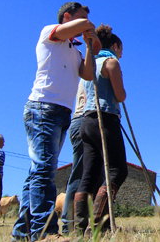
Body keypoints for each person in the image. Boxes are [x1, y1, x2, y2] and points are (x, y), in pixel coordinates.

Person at [12, 2, 100, 242]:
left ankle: (22, 234)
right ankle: (45, 232)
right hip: (43, 107)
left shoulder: (75, 50)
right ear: (68, 17)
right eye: (81, 18)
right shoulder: (50, 32)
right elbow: (82, 25)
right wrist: (88, 26)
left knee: (37, 172)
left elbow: (88, 74)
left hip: (62, 112)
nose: (86, 23)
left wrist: (92, 45)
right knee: (44, 170)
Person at [75, 24, 128, 234]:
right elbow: (121, 96)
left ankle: (80, 226)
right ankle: (96, 224)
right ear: (115, 46)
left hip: (86, 121)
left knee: (90, 172)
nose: (121, 53)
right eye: (121, 49)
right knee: (117, 170)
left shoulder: (90, 64)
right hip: (105, 119)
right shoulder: (111, 63)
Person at [60, 83, 86, 234]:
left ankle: (74, 223)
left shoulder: (87, 69)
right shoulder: (94, 66)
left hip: (78, 119)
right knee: (80, 174)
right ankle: (69, 224)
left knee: (81, 173)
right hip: (85, 118)